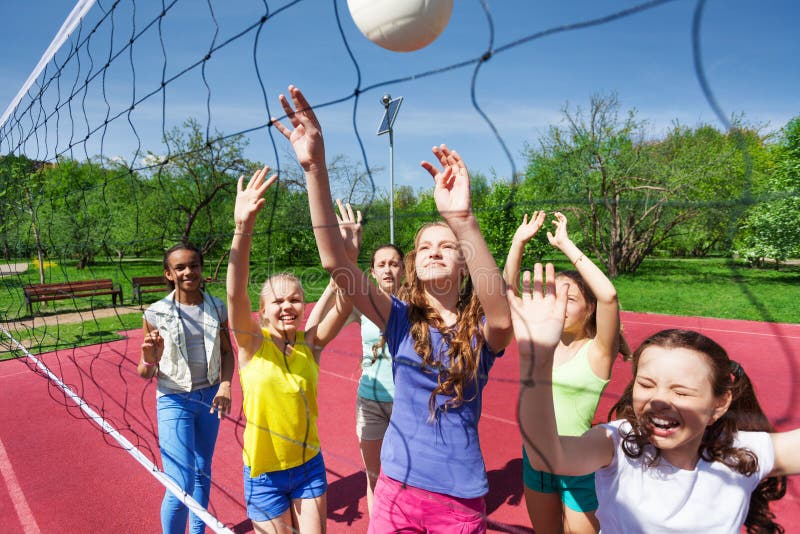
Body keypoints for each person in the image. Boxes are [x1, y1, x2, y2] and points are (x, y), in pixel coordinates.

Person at [272, 85, 513, 533]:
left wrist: (462, 220)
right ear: (412, 263)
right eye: (424, 246)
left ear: (464, 263)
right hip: (395, 491)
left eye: (447, 246)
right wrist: (314, 168)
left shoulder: (480, 326)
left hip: (458, 498)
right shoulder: (400, 318)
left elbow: (502, 319)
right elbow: (336, 264)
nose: (434, 251)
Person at [509, 263, 799, 533]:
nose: (659, 399)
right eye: (647, 384)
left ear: (719, 403)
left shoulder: (743, 453)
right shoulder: (617, 445)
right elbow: (548, 456)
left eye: (680, 391)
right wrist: (535, 358)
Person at [226, 166, 357, 534]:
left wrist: (347, 260)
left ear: (304, 306)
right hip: (263, 473)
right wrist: (243, 228)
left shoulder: (309, 343)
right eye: (278, 301)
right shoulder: (251, 345)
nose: (287, 306)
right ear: (262, 310)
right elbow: (235, 292)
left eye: (295, 300)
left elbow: (346, 304)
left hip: (308, 467)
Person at [504, 211, 626, 533]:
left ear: (589, 311)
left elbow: (609, 296)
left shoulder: (598, 353)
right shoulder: (537, 342)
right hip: (534, 459)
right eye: (553, 295)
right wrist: (518, 241)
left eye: (569, 298)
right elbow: (508, 289)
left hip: (579, 463)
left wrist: (566, 245)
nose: (558, 303)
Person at [138, 243, 235, 534]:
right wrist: (150, 357)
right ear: (169, 273)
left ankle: (198, 531)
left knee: (203, 472)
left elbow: (227, 352)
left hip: (210, 397)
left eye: (193, 265)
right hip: (174, 399)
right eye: (180, 267)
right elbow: (144, 372)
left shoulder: (217, 307)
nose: (188, 271)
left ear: (201, 268)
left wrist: (226, 385)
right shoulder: (155, 313)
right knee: (180, 483)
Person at [350, 237, 404, 516]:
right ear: (372, 272)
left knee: (409, 479)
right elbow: (318, 328)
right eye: (381, 264)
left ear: (404, 269)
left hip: (408, 404)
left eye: (394, 264)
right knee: (375, 479)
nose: (387, 269)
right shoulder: (361, 305)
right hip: (369, 403)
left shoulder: (417, 305)